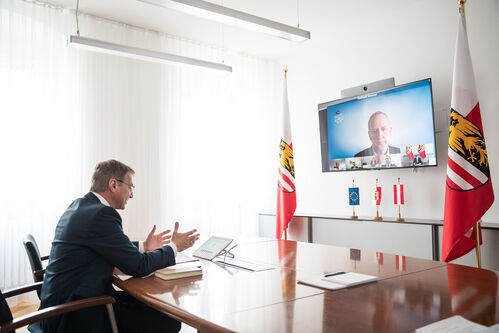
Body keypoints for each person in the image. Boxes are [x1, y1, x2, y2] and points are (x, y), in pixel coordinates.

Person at [29, 160, 200, 333]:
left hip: (57, 308)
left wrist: (143, 246)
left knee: (154, 305)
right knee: (168, 320)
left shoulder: (79, 206)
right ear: (113, 185)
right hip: (75, 315)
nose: (131, 195)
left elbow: (103, 247)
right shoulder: (101, 214)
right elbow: (139, 266)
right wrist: (174, 247)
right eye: (130, 188)